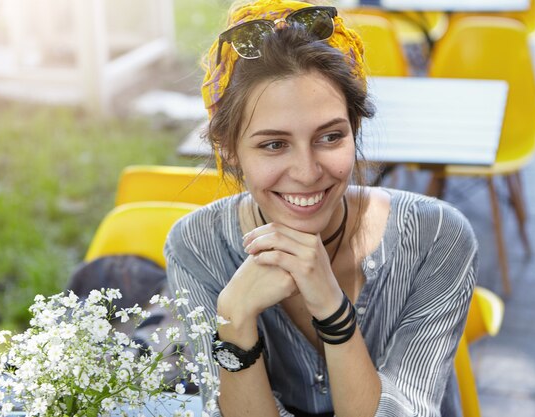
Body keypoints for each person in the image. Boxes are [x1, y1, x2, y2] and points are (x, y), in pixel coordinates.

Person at [165, 1, 478, 416]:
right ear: (230, 151)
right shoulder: (194, 247)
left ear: (355, 129)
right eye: (274, 144)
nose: (308, 172)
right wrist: (235, 323)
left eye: (330, 137)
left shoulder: (437, 236)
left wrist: (332, 308)